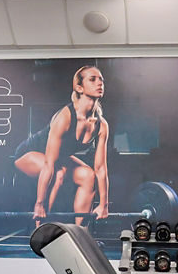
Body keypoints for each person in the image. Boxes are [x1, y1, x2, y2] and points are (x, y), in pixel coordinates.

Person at [13, 65, 111, 226]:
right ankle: (42, 229)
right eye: (92, 79)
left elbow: (100, 168)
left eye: (101, 80)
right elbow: (49, 164)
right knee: (59, 172)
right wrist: (39, 204)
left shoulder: (101, 125)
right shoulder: (66, 117)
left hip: (56, 159)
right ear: (79, 87)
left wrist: (103, 205)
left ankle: (81, 231)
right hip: (27, 154)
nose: (99, 83)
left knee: (89, 176)